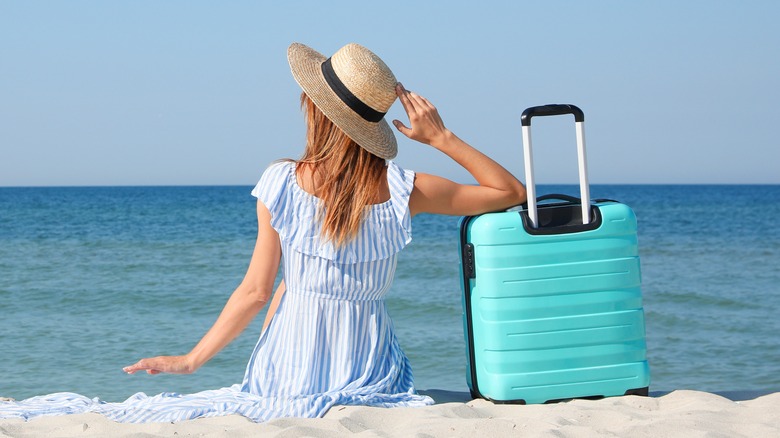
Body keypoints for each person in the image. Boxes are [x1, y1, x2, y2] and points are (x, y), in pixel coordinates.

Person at [0, 42, 526, 423]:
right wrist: (442, 137)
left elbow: (256, 291)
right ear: (371, 126)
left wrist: (191, 361)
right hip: (371, 370)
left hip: (288, 368)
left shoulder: (282, 181)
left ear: (316, 111)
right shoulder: (408, 190)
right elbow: (510, 192)